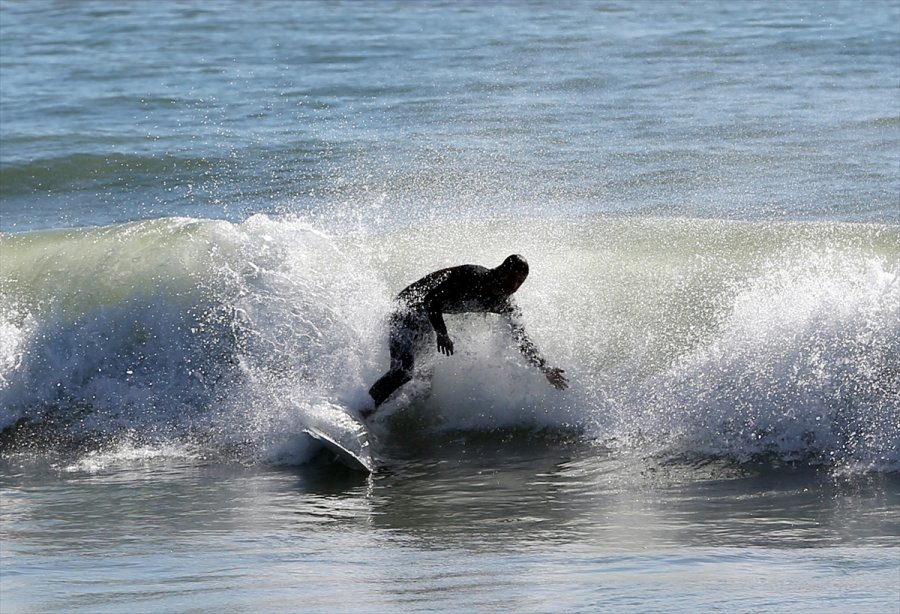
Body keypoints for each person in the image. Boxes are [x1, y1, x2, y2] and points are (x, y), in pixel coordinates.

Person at [364, 254, 568, 416]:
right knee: (403, 372)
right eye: (512, 279)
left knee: (424, 379)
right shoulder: (473, 277)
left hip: (424, 319)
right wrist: (442, 334)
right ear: (502, 270)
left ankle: (384, 414)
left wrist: (545, 368)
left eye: (520, 283)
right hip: (406, 308)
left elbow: (521, 339)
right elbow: (432, 300)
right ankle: (363, 408)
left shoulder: (504, 303)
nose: (514, 287)